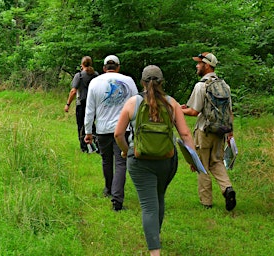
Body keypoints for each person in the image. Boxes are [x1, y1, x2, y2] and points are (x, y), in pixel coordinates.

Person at [114, 65, 196, 256]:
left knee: (148, 205)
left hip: (139, 160)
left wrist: (127, 152)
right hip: (166, 160)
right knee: (158, 198)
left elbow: (118, 134)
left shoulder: (132, 103)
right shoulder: (172, 103)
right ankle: (155, 235)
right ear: (162, 82)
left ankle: (154, 251)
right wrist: (192, 159)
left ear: (142, 82)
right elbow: (184, 133)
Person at [181, 52, 237, 211]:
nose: (197, 66)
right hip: (220, 131)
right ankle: (227, 189)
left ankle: (206, 202)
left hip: (204, 131)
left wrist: (179, 109)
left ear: (207, 65)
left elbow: (193, 111)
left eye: (199, 63)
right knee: (217, 161)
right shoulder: (224, 85)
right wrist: (230, 133)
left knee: (203, 165)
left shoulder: (201, 85)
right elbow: (229, 111)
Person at [84, 55, 138, 210]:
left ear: (103, 68)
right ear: (118, 67)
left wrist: (88, 131)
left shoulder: (95, 82)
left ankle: (108, 188)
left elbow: (89, 109)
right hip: (124, 130)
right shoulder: (128, 81)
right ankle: (117, 199)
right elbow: (136, 105)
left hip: (102, 129)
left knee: (106, 160)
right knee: (121, 163)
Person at [65, 56, 99, 153]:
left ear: (82, 64)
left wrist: (68, 104)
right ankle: (97, 145)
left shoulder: (79, 75)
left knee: (81, 125)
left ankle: (84, 148)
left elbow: (73, 91)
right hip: (94, 104)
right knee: (92, 124)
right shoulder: (96, 75)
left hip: (81, 104)